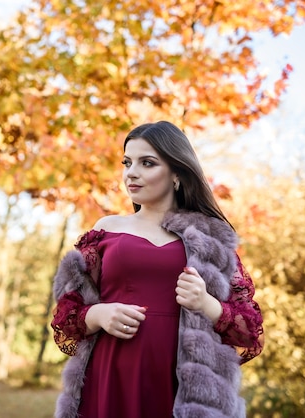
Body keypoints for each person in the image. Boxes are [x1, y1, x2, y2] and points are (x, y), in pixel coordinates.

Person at [50, 121, 264, 418]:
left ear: (177, 172)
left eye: (147, 163)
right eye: (127, 162)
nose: (131, 172)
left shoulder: (211, 239)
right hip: (112, 373)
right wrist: (98, 314)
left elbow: (249, 329)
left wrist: (207, 303)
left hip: (182, 386)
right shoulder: (106, 229)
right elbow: (66, 314)